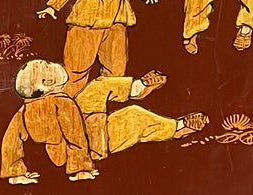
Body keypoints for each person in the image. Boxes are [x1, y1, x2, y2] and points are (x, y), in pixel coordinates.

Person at [0, 60, 98, 184]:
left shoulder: (24, 109)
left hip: (38, 162)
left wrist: (14, 172)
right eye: (62, 85)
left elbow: (10, 141)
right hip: (64, 158)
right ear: (49, 82)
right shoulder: (63, 102)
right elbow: (75, 136)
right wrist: (81, 167)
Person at [74, 68, 207, 159]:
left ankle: (137, 89)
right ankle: (177, 128)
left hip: (75, 118)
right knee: (135, 116)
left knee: (98, 86)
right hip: (84, 142)